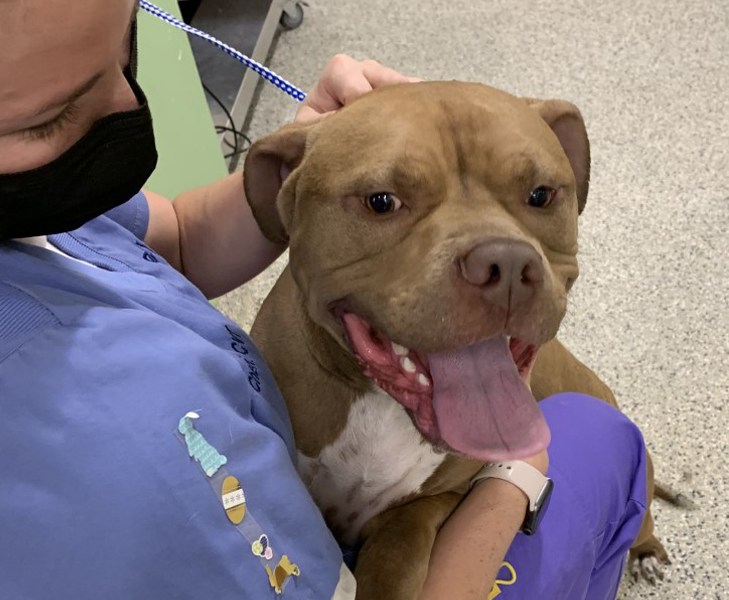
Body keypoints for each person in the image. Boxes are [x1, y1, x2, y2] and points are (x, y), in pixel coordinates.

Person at [0, 1, 649, 598]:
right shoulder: (101, 458)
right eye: (52, 116)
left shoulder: (50, 213)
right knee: (603, 438)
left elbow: (173, 236)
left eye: (125, 55)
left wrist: (308, 155)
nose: (129, 102)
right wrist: (514, 477)